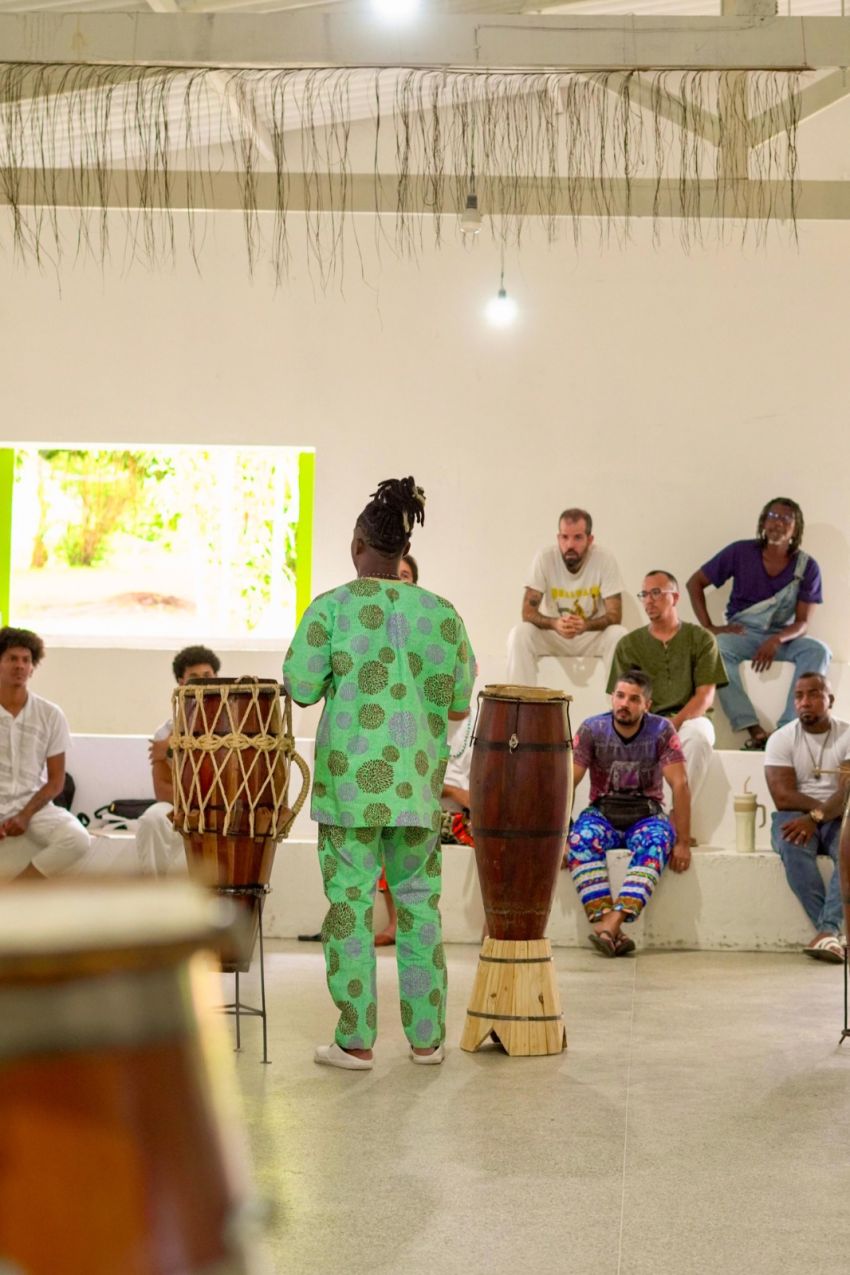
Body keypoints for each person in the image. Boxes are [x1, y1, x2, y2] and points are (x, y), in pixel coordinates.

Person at [284, 477, 475, 1070]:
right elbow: (459, 705)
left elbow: (299, 687)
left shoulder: (333, 608)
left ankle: (356, 1041)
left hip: (348, 790)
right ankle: (426, 1041)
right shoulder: (443, 615)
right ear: (401, 551)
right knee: (419, 907)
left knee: (350, 906)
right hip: (417, 789)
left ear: (358, 543)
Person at [563, 669, 691, 957]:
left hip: (645, 813)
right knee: (579, 840)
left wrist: (683, 841)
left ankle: (611, 923)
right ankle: (611, 931)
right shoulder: (591, 729)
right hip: (602, 812)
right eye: (620, 696)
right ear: (612, 698)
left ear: (647, 704)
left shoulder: (661, 730)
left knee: (659, 842)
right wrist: (560, 838)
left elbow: (680, 784)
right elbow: (569, 782)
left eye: (634, 699)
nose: (625, 704)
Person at [686, 498, 829, 750]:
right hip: (743, 633)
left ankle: (786, 730)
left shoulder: (807, 567)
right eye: (772, 516)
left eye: (786, 519)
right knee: (716, 648)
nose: (777, 523)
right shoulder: (740, 552)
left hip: (782, 637)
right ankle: (752, 728)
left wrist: (776, 640)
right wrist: (710, 627)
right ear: (763, 521)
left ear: (796, 529)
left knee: (818, 651)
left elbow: (803, 623)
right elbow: (694, 583)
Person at [607, 570, 727, 810]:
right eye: (644, 594)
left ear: (675, 597)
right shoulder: (629, 644)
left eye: (656, 593)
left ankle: (677, 816)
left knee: (699, 738)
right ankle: (645, 820)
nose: (649, 600)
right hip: (646, 722)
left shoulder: (701, 639)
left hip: (691, 719)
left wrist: (674, 722)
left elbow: (705, 695)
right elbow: (622, 698)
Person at [764, 673, 850, 964]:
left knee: (849, 852)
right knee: (791, 845)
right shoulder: (781, 738)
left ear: (830, 700)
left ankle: (826, 932)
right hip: (796, 815)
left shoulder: (847, 734)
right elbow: (783, 797)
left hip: (840, 816)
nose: (805, 702)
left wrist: (818, 816)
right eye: (799, 696)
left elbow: (847, 793)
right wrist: (820, 813)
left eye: (813, 694)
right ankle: (831, 933)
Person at [0, 626, 90, 880]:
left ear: (32, 667)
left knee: (77, 838)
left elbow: (56, 781)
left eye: (25, 660)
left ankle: (17, 891)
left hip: (34, 806)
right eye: (11, 658)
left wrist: (25, 815)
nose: (19, 666)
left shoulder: (50, 714)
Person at [506, 508, 627, 687]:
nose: (570, 544)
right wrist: (555, 623)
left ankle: (619, 710)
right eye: (564, 537)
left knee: (619, 635)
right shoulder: (544, 558)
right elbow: (527, 612)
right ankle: (519, 706)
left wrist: (586, 625)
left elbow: (615, 615)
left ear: (590, 539)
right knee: (519, 633)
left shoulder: (605, 559)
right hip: (555, 634)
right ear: (558, 538)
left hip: (589, 634)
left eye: (577, 537)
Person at [135, 644, 221, 875]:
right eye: (194, 677)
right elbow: (162, 790)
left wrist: (174, 749)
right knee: (152, 820)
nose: (203, 683)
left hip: (225, 809)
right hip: (183, 808)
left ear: (217, 678)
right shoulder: (164, 733)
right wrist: (194, 807)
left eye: (208, 676)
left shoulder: (234, 724)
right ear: (181, 683)